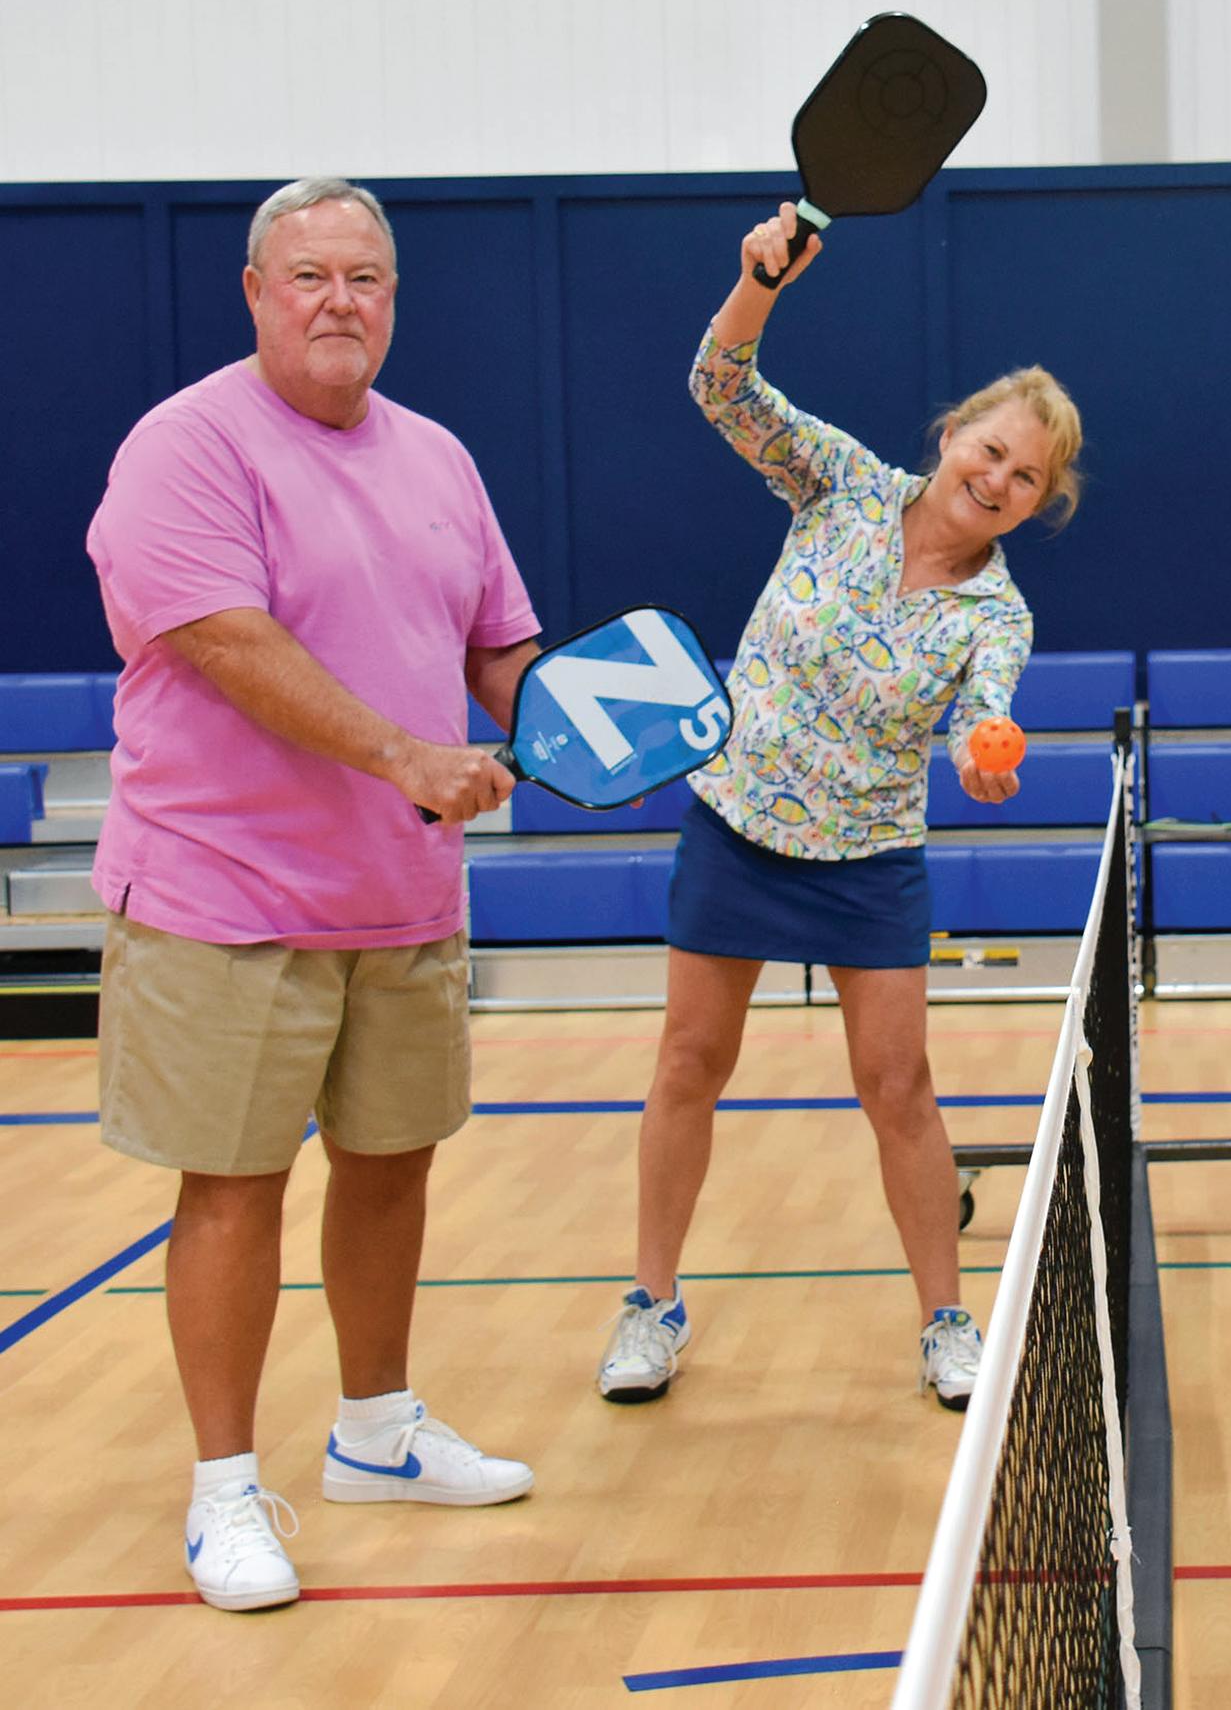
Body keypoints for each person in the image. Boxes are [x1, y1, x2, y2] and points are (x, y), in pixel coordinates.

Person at [84, 178, 540, 1615]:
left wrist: (603, 719)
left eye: (366, 277)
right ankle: (224, 1490)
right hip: (225, 894)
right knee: (233, 1187)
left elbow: (498, 646)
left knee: (392, 1161)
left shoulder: (440, 457)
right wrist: (407, 755)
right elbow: (228, 643)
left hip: (400, 894)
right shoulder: (186, 447)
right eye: (309, 275)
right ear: (254, 291)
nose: (340, 300)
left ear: (393, 299)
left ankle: (378, 1432)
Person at [594, 205, 1083, 1414]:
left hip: (868, 855)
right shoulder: (844, 485)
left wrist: (984, 758)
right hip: (738, 823)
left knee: (898, 1087)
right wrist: (760, 280)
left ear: (1038, 501)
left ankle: (946, 1322)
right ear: (953, 434)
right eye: (989, 450)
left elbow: (984, 714)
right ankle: (650, 1303)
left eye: (1024, 477)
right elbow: (720, 385)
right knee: (689, 1063)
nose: (996, 480)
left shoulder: (997, 615)